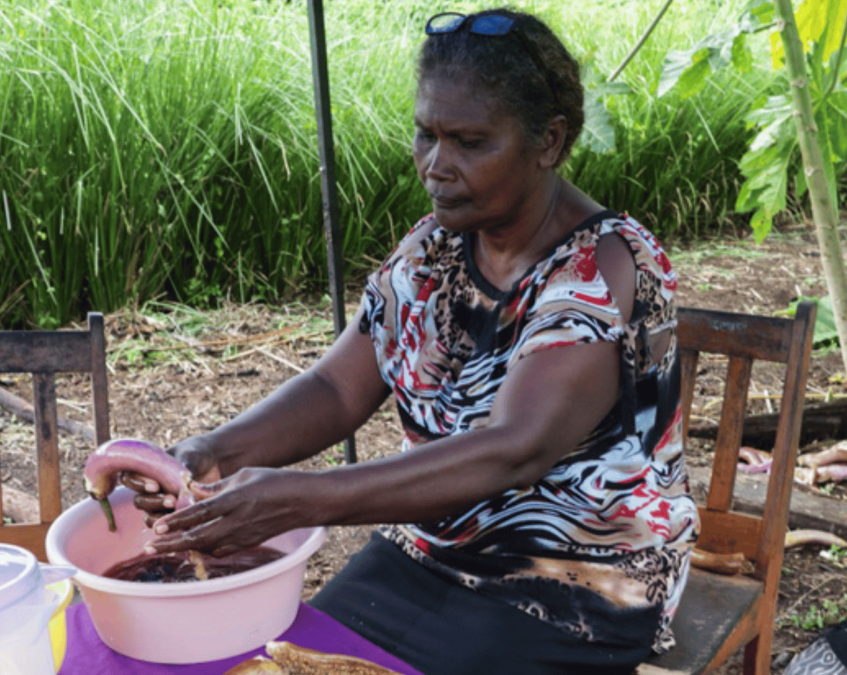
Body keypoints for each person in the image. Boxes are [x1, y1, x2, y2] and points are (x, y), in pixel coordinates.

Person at [126, 8, 698, 674]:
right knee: (285, 660)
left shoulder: (603, 267)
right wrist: (207, 452)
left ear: (549, 140)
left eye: (469, 141)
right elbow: (337, 388)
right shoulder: (434, 250)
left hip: (580, 579)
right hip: (428, 549)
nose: (436, 164)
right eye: (426, 133)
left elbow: (514, 449)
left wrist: (302, 496)